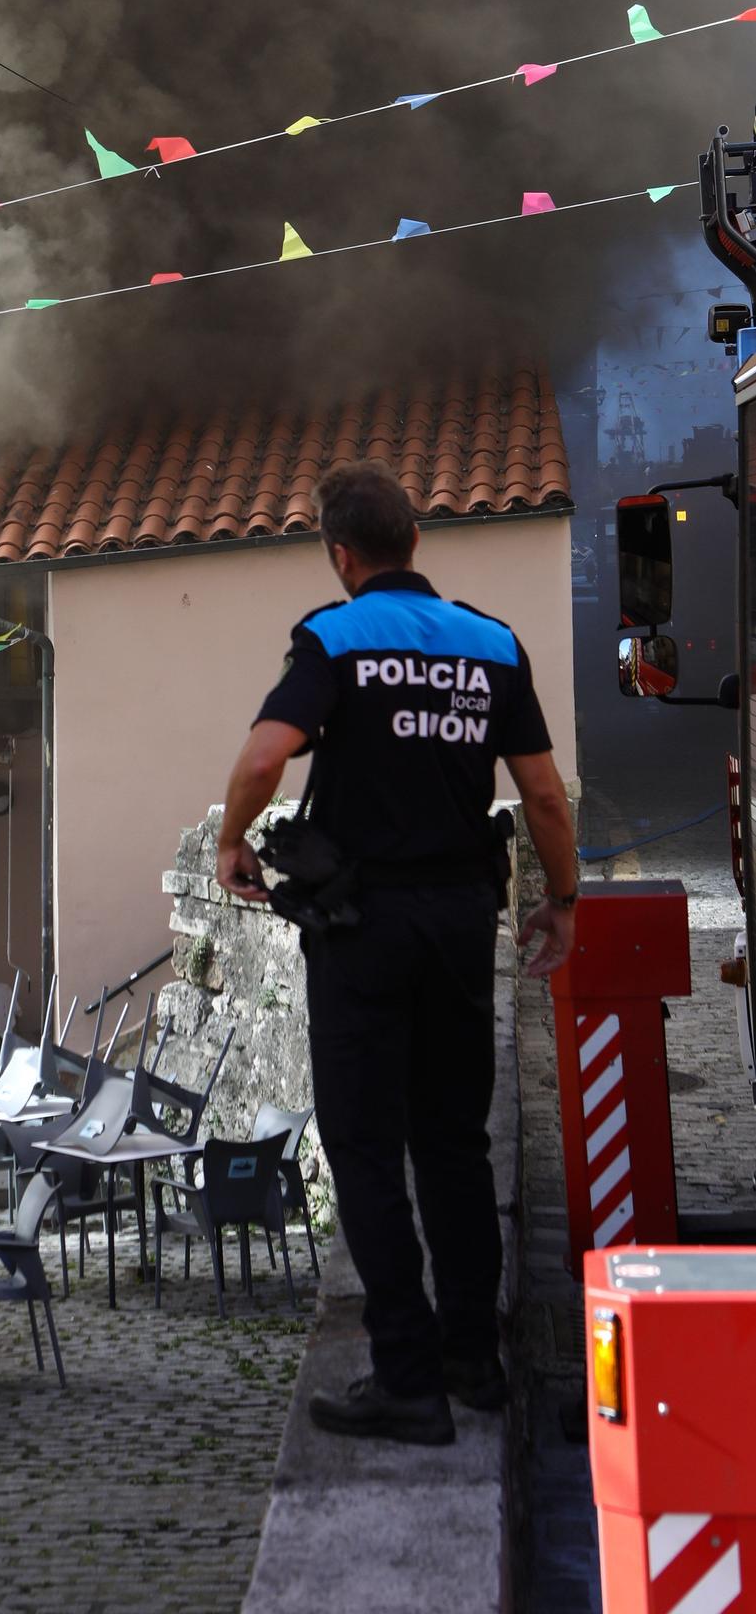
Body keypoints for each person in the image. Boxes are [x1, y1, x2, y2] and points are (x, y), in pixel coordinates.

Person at [215, 460, 578, 1446]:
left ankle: (408, 1375)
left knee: (367, 1148)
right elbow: (543, 795)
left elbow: (261, 757)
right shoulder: (492, 642)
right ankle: (476, 1362)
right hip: (461, 920)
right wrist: (569, 900)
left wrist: (231, 842)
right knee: (455, 1141)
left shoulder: (334, 636)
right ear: (417, 540)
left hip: (363, 929)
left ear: (342, 555)